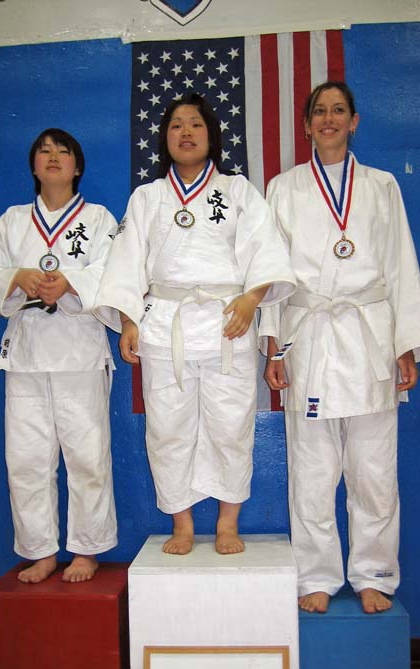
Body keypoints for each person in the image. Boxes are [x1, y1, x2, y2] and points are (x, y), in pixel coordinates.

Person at [94, 93, 295, 555]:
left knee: (231, 425)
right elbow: (127, 261)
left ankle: (227, 522)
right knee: (168, 427)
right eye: (176, 126)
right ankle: (181, 523)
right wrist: (128, 319)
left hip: (229, 322)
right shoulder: (147, 197)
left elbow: (266, 250)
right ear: (164, 139)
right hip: (167, 323)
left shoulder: (238, 191)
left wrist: (251, 299)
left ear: (211, 136)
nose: (185, 132)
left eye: (195, 124)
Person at [262, 81, 420, 613]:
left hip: (369, 336)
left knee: (374, 470)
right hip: (308, 334)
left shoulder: (382, 186)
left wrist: (405, 344)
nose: (329, 119)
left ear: (354, 121)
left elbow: (401, 264)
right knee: (312, 471)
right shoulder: (283, 188)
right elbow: (269, 271)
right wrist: (273, 347)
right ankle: (315, 575)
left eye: (339, 110)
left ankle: (373, 573)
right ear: (307, 125)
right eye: (320, 111)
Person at [0, 128, 118, 583]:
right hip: (27, 351)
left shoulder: (98, 218)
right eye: (44, 151)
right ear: (34, 166)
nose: (53, 156)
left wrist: (70, 282)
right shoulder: (13, 220)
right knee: (26, 458)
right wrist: (19, 277)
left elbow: (115, 272)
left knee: (88, 457)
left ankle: (86, 550)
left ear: (77, 166)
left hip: (80, 349)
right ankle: (40, 551)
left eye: (63, 151)